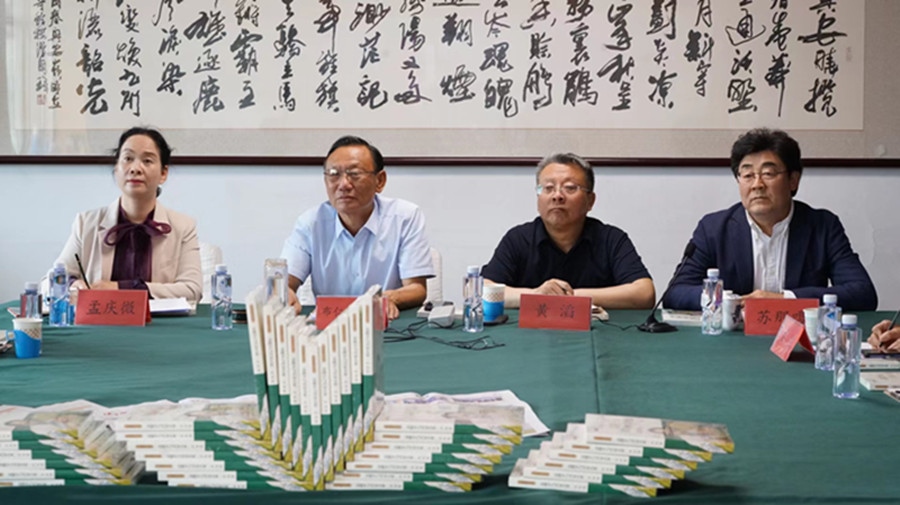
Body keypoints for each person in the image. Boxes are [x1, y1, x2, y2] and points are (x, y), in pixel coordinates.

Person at [663, 128, 877, 311]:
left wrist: (785, 300)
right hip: (736, 338)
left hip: (799, 338)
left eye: (768, 173)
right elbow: (675, 293)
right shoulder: (714, 229)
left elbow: (862, 293)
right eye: (747, 175)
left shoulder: (822, 226)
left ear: (793, 180)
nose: (757, 184)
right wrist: (728, 301)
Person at [282, 135, 433, 320]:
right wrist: (284, 293)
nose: (344, 184)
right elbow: (284, 283)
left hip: (387, 326)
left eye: (354, 174)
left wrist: (389, 298)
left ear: (380, 181)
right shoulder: (310, 223)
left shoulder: (405, 217)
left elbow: (417, 288)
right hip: (328, 327)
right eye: (334, 174)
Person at [481, 153, 655, 309]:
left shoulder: (611, 239)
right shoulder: (518, 238)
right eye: (548, 188)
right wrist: (536, 295)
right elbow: (482, 290)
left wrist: (570, 296)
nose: (557, 196)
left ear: (590, 201)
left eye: (570, 188)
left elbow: (645, 294)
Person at [50, 127, 203, 302]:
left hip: (157, 320)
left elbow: (192, 289)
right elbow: (50, 281)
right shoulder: (86, 223)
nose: (135, 168)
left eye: (147, 161)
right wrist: (72, 285)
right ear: (116, 168)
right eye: (128, 159)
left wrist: (120, 288)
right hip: (101, 318)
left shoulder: (183, 226)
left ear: (163, 173)